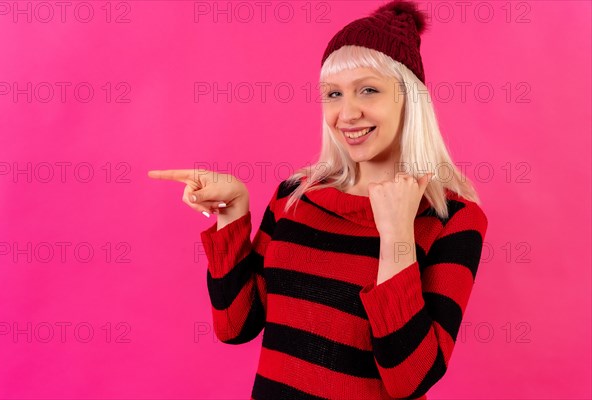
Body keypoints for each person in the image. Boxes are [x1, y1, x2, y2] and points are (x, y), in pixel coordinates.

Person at [148, 0, 488, 399]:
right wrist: (232, 213)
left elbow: (409, 380)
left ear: (409, 99)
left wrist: (396, 234)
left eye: (368, 90)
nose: (347, 113)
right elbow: (236, 327)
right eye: (333, 94)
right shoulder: (296, 195)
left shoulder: (453, 218)